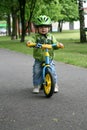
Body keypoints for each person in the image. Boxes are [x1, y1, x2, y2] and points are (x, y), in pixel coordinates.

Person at [26, 15, 64, 94]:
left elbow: (55, 44)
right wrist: (30, 43)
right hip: (39, 59)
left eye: (45, 27)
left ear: (49, 28)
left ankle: (54, 84)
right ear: (37, 28)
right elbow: (31, 41)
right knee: (37, 71)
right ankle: (37, 85)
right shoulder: (36, 37)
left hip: (49, 58)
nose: (43, 29)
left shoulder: (51, 37)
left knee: (52, 71)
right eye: (41, 27)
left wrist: (58, 45)